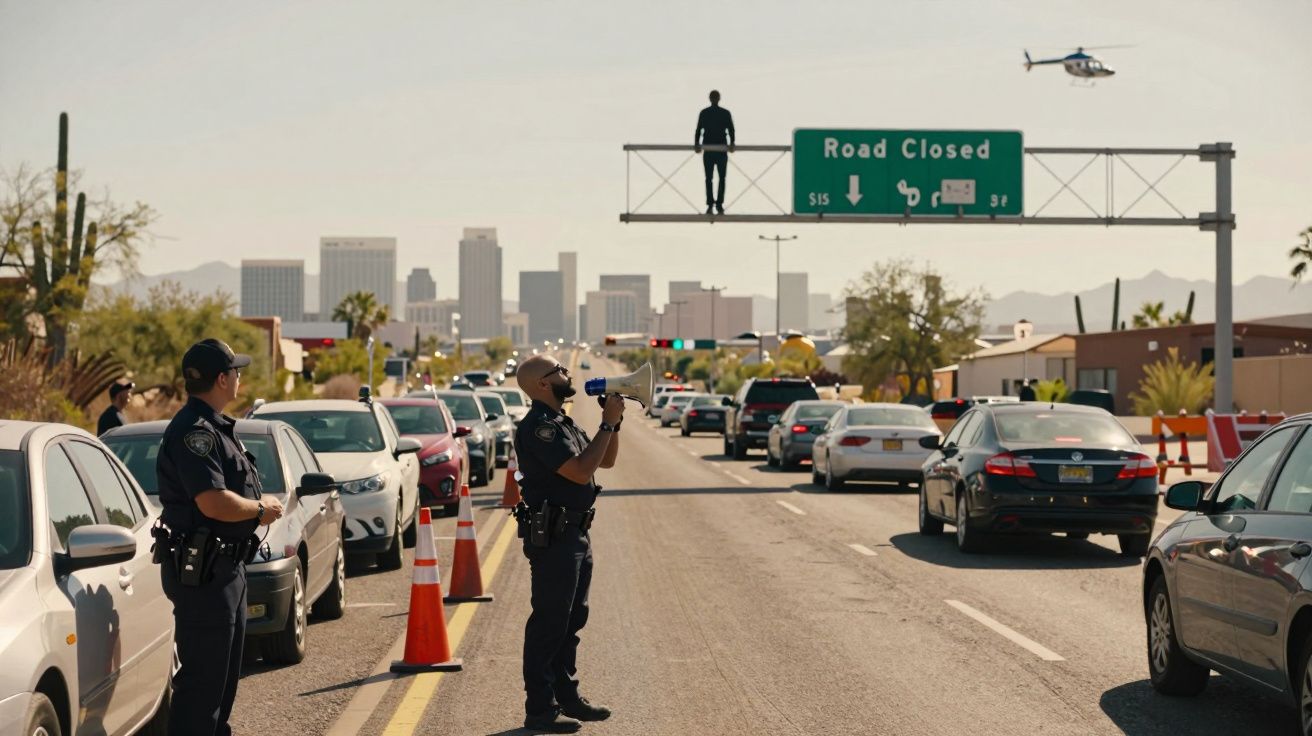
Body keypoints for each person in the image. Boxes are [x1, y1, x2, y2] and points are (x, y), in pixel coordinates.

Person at [154, 339, 283, 736]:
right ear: (223, 379)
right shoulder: (197, 432)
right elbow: (212, 502)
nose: (240, 377)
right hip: (205, 573)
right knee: (202, 686)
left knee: (221, 682)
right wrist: (262, 510)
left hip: (225, 568)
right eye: (237, 371)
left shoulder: (214, 427)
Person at [513, 354, 624, 733]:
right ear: (543, 384)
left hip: (576, 533)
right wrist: (606, 423)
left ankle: (567, 696)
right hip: (556, 536)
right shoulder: (539, 428)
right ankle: (540, 709)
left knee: (572, 620)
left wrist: (614, 424)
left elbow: (602, 463)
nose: (566, 372)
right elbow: (578, 472)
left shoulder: (563, 422)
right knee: (549, 622)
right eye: (558, 370)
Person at [694, 89, 735, 215]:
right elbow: (699, 129)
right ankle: (715, 204)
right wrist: (697, 144)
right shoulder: (721, 113)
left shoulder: (707, 113)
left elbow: (699, 130)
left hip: (715, 149)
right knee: (714, 178)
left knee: (713, 178)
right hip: (715, 148)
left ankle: (715, 204)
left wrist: (732, 143)